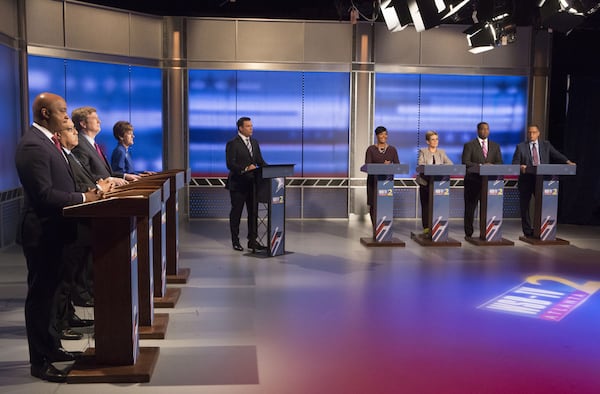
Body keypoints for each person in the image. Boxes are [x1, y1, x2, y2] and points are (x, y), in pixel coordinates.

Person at [15, 92, 100, 382]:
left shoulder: (49, 143)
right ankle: (39, 362)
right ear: (44, 113)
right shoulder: (32, 145)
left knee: (52, 296)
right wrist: (83, 197)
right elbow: (44, 195)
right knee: (41, 298)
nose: (67, 116)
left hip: (58, 232)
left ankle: (52, 349)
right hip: (42, 233)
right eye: (61, 111)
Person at [511, 124, 575, 238]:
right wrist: (521, 167)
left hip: (542, 180)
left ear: (538, 133)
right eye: (529, 132)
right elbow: (515, 163)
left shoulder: (546, 145)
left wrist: (568, 162)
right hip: (526, 181)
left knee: (543, 205)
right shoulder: (520, 147)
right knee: (524, 207)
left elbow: (557, 155)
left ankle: (541, 229)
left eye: (534, 132)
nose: (531, 135)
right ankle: (527, 231)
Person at [225, 117, 268, 252]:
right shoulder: (232, 143)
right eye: (248, 126)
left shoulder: (254, 143)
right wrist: (244, 168)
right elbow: (230, 164)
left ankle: (252, 241)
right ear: (240, 128)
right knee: (236, 213)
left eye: (251, 126)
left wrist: (271, 171)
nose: (251, 128)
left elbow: (260, 161)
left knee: (253, 213)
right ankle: (235, 241)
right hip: (238, 185)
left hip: (253, 185)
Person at [71, 107, 139, 186]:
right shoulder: (79, 144)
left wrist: (124, 176)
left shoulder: (92, 144)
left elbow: (106, 173)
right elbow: (84, 176)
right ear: (83, 124)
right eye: (95, 118)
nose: (99, 121)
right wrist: (110, 180)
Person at [461, 121, 503, 239]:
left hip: (489, 183)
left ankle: (486, 232)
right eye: (482, 129)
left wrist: (492, 166)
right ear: (478, 131)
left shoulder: (495, 146)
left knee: (487, 209)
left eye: (487, 129)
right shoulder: (469, 145)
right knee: (470, 209)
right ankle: (468, 233)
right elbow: (466, 162)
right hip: (473, 182)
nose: (485, 131)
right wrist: (481, 165)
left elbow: (500, 162)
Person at [416, 130, 453, 235]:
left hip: (439, 184)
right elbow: (421, 165)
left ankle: (438, 227)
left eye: (437, 139)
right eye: (433, 139)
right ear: (428, 141)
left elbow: (450, 164)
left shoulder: (441, 152)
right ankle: (427, 228)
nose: (435, 141)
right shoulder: (423, 151)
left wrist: (440, 168)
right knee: (426, 206)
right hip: (425, 183)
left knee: (438, 206)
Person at [364, 126, 400, 230]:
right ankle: (376, 229)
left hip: (386, 182)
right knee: (374, 205)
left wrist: (390, 166)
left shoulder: (392, 149)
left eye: (385, 134)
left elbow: (398, 166)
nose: (383, 136)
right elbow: (368, 166)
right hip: (373, 182)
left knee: (385, 205)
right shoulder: (371, 149)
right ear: (377, 136)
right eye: (381, 134)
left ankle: (385, 229)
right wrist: (382, 166)